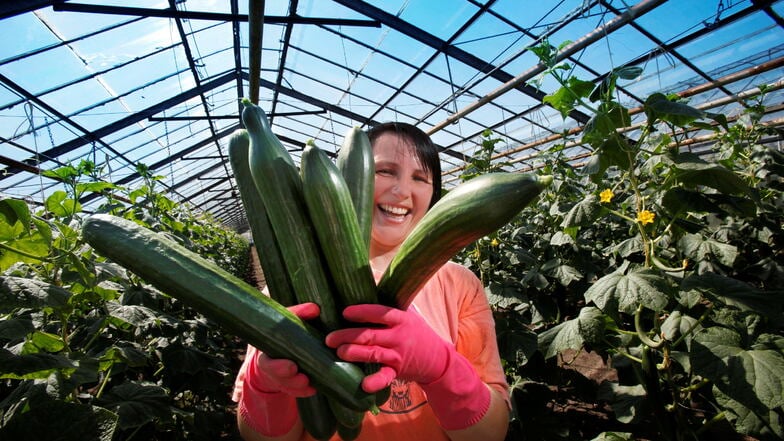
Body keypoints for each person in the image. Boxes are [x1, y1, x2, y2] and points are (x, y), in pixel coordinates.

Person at [233, 122, 510, 441]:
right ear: (350, 178)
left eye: (420, 178)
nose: (403, 190)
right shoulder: (287, 293)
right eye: (386, 171)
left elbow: (492, 433)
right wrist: (266, 387)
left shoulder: (460, 284)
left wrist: (442, 368)